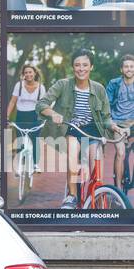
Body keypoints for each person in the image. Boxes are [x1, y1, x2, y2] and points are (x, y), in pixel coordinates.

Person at [37, 50, 120, 208]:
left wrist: (113, 126)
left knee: (96, 164)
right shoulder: (63, 84)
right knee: (73, 158)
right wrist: (53, 113)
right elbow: (41, 104)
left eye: (85, 65)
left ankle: (96, 191)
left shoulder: (99, 89)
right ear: (72, 67)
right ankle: (72, 195)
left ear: (91, 67)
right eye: (77, 65)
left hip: (93, 128)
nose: (81, 68)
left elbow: (106, 116)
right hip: (73, 127)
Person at [7, 62, 46, 173]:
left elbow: (43, 105)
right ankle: (19, 165)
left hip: (35, 116)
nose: (28, 74)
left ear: (35, 73)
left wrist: (44, 118)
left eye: (30, 72)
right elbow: (12, 102)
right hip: (21, 116)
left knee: (35, 140)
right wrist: (7, 117)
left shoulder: (41, 88)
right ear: (23, 74)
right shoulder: (19, 85)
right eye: (26, 72)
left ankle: (35, 164)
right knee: (21, 141)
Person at [106, 54, 134, 185]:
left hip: (133, 123)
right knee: (120, 152)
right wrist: (111, 123)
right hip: (117, 123)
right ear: (121, 69)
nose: (129, 69)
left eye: (132, 66)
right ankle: (117, 189)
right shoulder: (114, 84)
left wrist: (131, 127)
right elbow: (106, 106)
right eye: (126, 66)